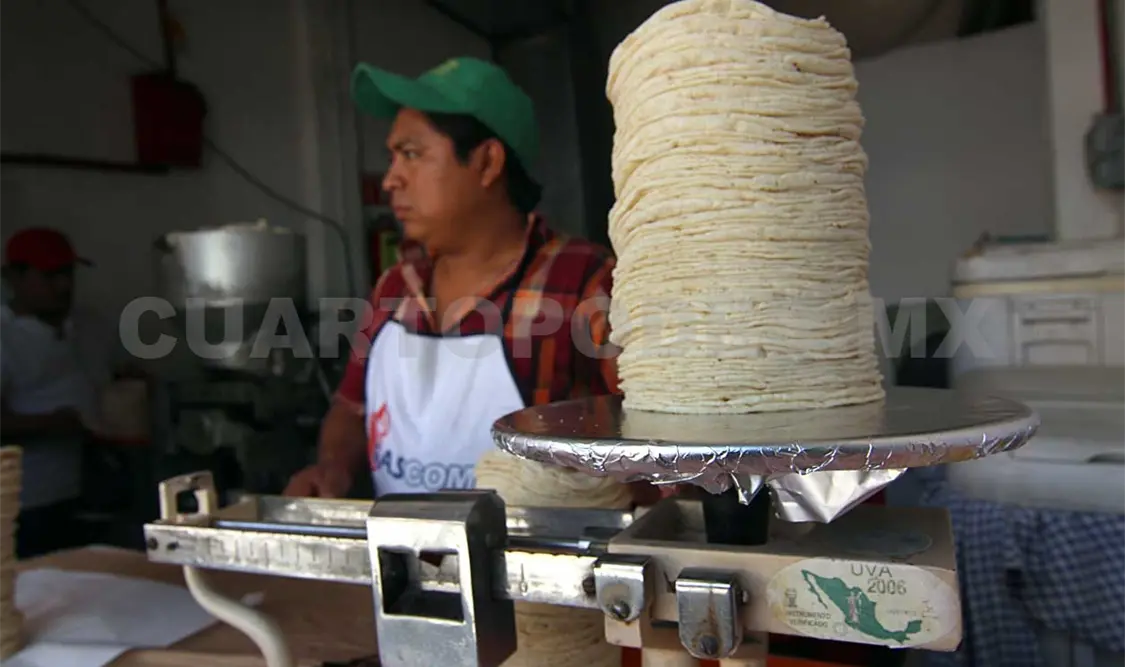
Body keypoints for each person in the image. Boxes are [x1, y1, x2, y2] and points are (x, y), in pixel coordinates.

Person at [284, 57, 641, 500]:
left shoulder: (583, 283)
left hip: (534, 564)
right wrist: (333, 467)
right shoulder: (395, 287)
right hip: (400, 559)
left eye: (411, 154)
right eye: (392, 157)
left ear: (487, 163)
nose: (391, 179)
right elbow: (350, 407)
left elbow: (658, 439)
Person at [0, 227, 111, 557]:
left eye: (68, 273)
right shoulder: (5, 338)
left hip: (83, 495)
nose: (63, 286)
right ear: (14, 278)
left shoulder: (88, 326)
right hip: (24, 506)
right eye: (50, 276)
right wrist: (54, 424)